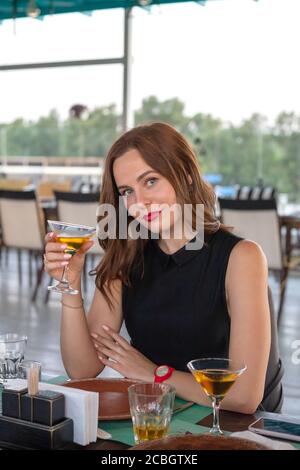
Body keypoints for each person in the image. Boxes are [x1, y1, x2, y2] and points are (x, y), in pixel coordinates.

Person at [44, 122, 282, 414]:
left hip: (236, 429)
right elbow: (82, 369)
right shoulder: (127, 259)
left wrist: (154, 373)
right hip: (159, 418)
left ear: (186, 176)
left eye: (151, 181)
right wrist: (70, 285)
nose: (140, 202)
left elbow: (244, 397)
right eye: (127, 191)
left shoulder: (241, 257)